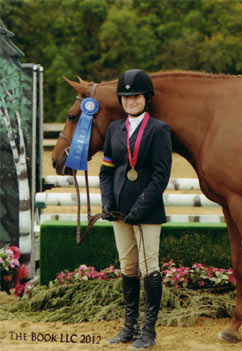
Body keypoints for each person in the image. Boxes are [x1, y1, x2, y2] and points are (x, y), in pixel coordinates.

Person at [99, 69, 172, 349]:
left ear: (146, 98)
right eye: (126, 97)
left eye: (136, 96)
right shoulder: (114, 130)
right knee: (127, 267)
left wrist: (141, 207)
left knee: (148, 268)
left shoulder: (159, 130)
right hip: (119, 212)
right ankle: (129, 327)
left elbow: (160, 175)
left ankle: (149, 332)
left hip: (147, 213)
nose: (130, 101)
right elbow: (106, 171)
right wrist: (107, 202)